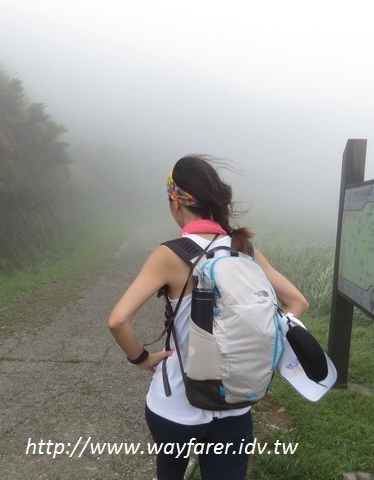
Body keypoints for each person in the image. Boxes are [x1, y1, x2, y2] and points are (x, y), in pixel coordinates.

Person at [107, 154, 309, 480]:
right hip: (235, 402)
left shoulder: (170, 254)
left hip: (174, 405)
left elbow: (118, 321)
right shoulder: (244, 249)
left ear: (176, 201)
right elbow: (297, 302)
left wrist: (142, 358)